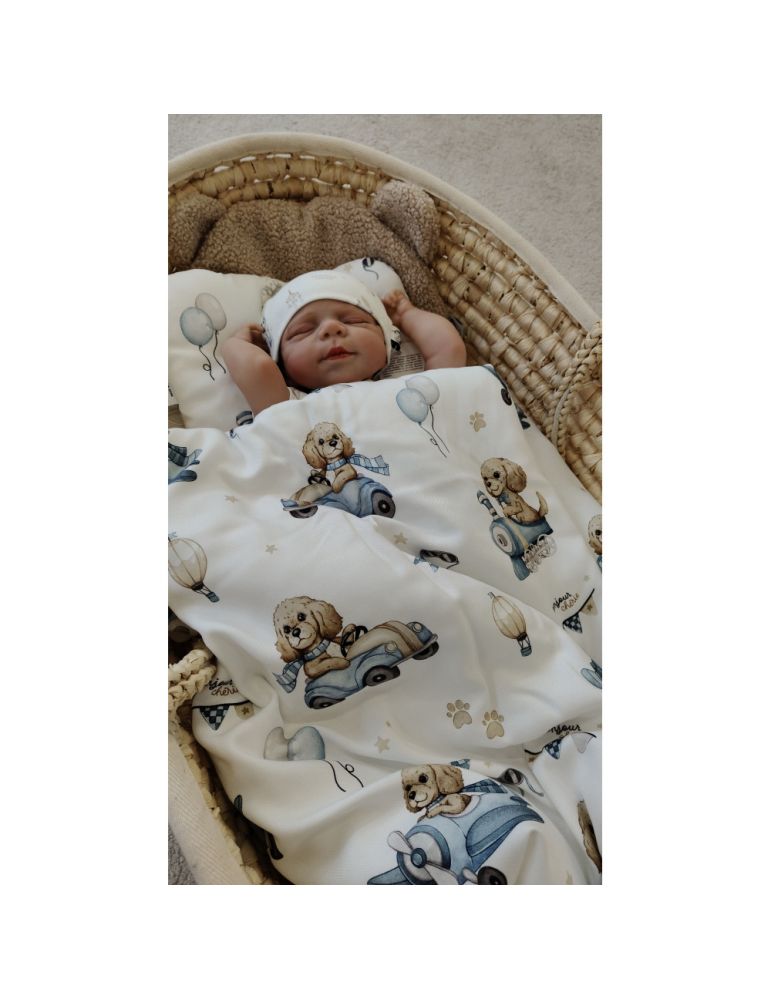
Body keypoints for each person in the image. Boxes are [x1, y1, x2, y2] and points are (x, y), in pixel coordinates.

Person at [221, 269, 467, 415]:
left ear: (386, 340)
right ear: (280, 363)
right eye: (303, 331)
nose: (331, 328)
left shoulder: (411, 390)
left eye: (353, 321)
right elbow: (257, 369)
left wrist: (406, 315)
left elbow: (448, 348)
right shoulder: (289, 407)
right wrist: (239, 343)